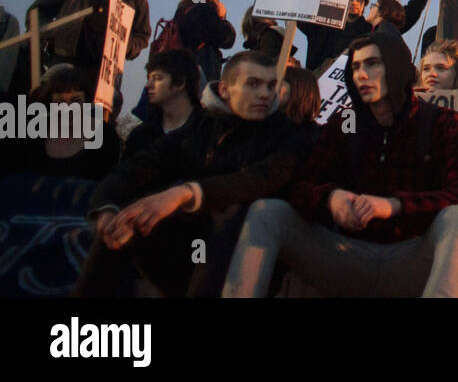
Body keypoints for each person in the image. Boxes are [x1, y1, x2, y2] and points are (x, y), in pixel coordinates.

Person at [223, 34, 458, 297]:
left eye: (372, 64)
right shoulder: (344, 122)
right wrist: (331, 198)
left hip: (412, 260)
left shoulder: (442, 121)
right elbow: (301, 186)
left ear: (396, 66)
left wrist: (394, 206)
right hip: (346, 256)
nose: (361, 74)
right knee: (268, 211)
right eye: (356, 67)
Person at [76, 51, 311, 297]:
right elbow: (137, 167)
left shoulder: (288, 134)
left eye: (270, 85)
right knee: (123, 219)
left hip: (246, 255)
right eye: (253, 84)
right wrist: (105, 208)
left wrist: (185, 194)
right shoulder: (200, 128)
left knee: (228, 214)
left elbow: (259, 179)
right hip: (186, 250)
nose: (264, 93)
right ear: (224, 90)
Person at [0, 64, 120, 179]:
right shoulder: (32, 135)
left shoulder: (105, 138)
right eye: (59, 101)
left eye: (76, 100)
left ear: (87, 102)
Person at [123, 49, 202, 158]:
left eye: (157, 78)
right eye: (149, 78)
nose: (148, 85)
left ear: (180, 83)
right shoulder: (140, 135)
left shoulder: (209, 131)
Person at [168, 0, 236, 82]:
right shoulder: (202, 11)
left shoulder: (182, 12)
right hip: (201, 71)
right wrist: (222, 18)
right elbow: (226, 39)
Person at [301, 0, 369, 74]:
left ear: (364, 3)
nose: (354, 2)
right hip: (317, 78)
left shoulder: (368, 31)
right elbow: (299, 20)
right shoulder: (325, 25)